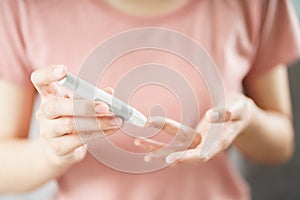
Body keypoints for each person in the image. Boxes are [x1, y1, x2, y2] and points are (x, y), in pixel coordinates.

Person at [0, 0, 299, 199]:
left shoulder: (256, 5)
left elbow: (281, 145)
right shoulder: (24, 7)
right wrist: (52, 154)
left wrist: (246, 121)